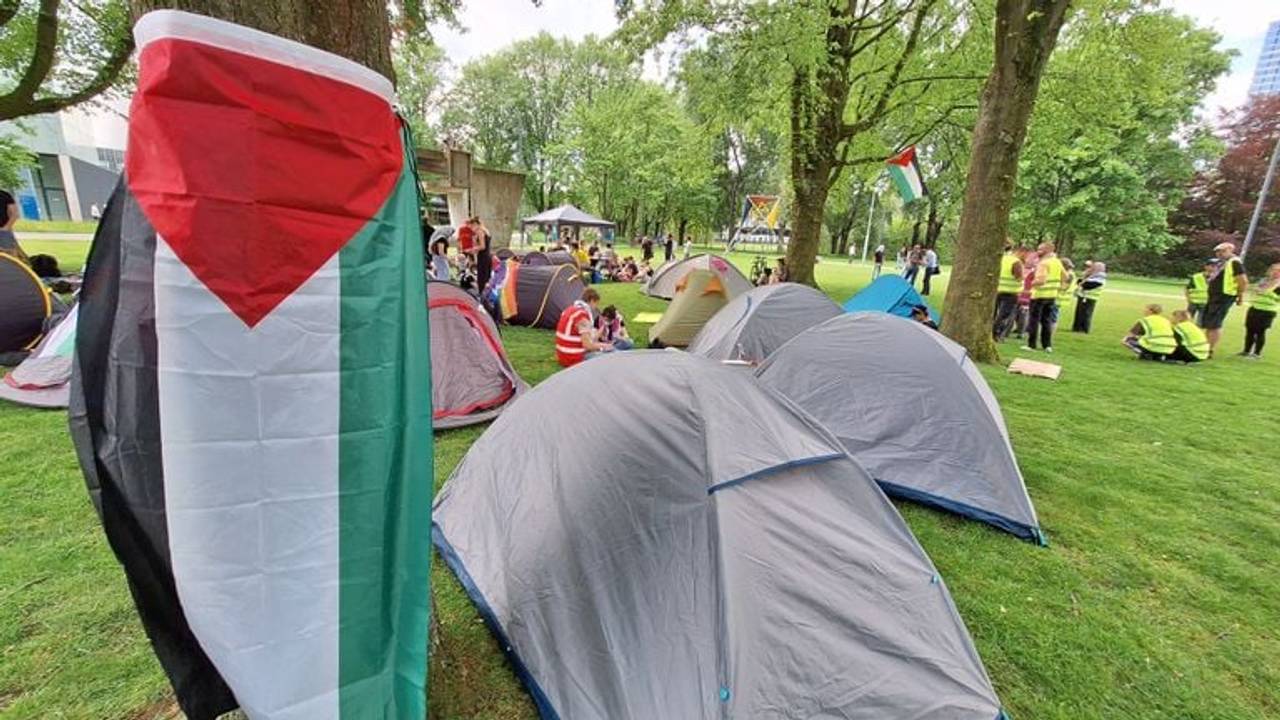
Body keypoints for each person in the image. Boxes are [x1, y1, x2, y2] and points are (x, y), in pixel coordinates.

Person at [1201, 242, 1248, 356]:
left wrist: (1240, 296)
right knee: (1209, 324)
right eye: (1217, 251)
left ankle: (1209, 350)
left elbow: (1242, 281)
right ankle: (1206, 346)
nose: (1219, 253)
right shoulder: (1222, 263)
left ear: (1230, 250)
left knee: (1215, 324)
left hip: (1224, 296)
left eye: (1222, 251)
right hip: (1215, 296)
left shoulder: (1235, 262)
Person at [1022, 241, 1065, 353]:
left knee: (1034, 320)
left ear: (1048, 250)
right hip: (1051, 295)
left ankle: (1031, 344)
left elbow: (1041, 280)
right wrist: (1060, 287)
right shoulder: (1057, 262)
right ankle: (1047, 345)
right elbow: (1065, 276)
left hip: (1039, 295)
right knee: (1046, 321)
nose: (1038, 251)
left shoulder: (1043, 263)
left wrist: (1029, 284)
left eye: (1040, 249)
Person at [555, 288, 613, 367]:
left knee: (611, 349)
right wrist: (603, 346)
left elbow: (586, 338)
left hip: (562, 355)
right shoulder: (582, 316)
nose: (595, 307)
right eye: (596, 304)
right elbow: (588, 345)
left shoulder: (569, 310)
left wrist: (601, 331)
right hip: (573, 358)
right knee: (611, 356)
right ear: (592, 301)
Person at [1241, 262, 1280, 359]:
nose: (1275, 272)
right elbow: (1255, 289)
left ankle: (1256, 353)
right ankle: (1246, 351)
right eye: (1273, 270)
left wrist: (1265, 291)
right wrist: (1260, 290)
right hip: (1255, 307)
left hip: (1267, 310)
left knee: (1260, 332)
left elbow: (1274, 296)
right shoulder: (1264, 280)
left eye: (1278, 271)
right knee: (1250, 330)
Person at [993, 242, 1024, 341]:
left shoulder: (997, 258)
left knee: (994, 313)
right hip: (1011, 292)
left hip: (996, 290)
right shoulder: (1015, 261)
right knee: (1004, 315)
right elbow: (1019, 277)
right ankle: (996, 333)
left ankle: (992, 331)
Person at [1071, 260, 1106, 334]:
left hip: (1090, 298)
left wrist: (1083, 281)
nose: (1092, 268)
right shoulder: (1092, 275)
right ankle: (1076, 328)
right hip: (1083, 297)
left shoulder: (1100, 277)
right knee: (1079, 313)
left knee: (1086, 314)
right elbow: (1079, 281)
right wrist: (1085, 276)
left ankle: (1084, 329)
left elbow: (1086, 285)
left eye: (1094, 267)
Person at [0, 187, 29, 265]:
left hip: (3, 232)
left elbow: (14, 214)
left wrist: (6, 228)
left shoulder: (4, 195)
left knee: (10, 256)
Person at [1050, 258, 1075, 334]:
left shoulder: (1068, 275)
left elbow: (1064, 287)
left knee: (1052, 318)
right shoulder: (1069, 273)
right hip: (1058, 298)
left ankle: (1050, 333)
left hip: (1057, 298)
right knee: (1052, 316)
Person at [471, 216, 493, 294]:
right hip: (487, 256)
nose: (472, 228)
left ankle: (482, 294)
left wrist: (473, 248)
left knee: (481, 277)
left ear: (476, 224)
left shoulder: (479, 232)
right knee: (487, 277)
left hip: (483, 256)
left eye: (472, 225)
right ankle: (487, 294)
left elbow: (482, 246)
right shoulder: (486, 231)